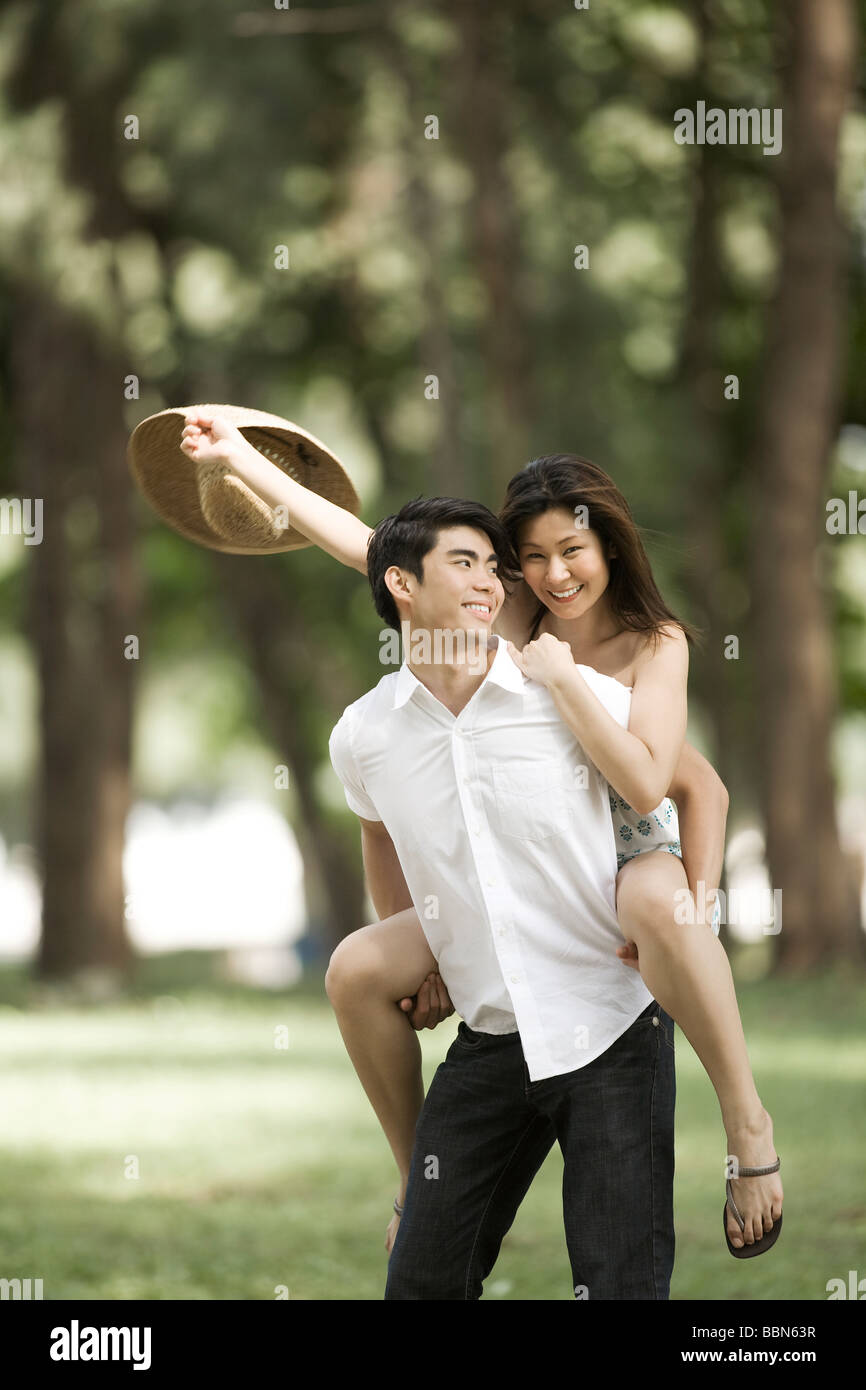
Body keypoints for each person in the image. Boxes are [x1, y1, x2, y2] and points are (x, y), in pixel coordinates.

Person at [179, 414, 783, 1269]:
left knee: (658, 900)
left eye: (570, 551)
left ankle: (747, 1122)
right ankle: (411, 1177)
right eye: (527, 558)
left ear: (608, 544)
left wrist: (701, 909)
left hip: (629, 835)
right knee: (358, 965)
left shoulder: (651, 643)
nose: (551, 574)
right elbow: (367, 546)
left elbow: (690, 786)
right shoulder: (508, 621)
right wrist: (244, 462)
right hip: (510, 861)